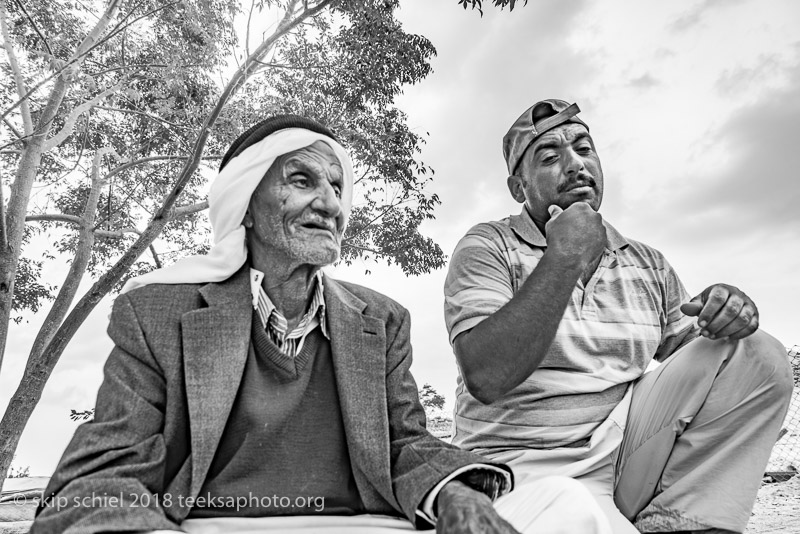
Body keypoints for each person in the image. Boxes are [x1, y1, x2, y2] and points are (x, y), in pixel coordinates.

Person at [32, 115, 612, 534]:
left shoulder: (381, 320)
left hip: (364, 524)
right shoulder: (156, 314)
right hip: (206, 527)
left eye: (336, 187)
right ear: (246, 207)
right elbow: (102, 474)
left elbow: (406, 444)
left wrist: (458, 499)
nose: (331, 204)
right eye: (302, 181)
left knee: (566, 506)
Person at [443, 99, 794, 534]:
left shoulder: (647, 262)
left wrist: (727, 314)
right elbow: (487, 374)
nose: (575, 165)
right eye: (550, 157)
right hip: (516, 468)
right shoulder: (487, 246)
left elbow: (708, 364)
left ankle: (681, 522)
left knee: (756, 354)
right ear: (519, 187)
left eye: (584, 149)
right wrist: (565, 257)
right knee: (573, 516)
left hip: (622, 459)